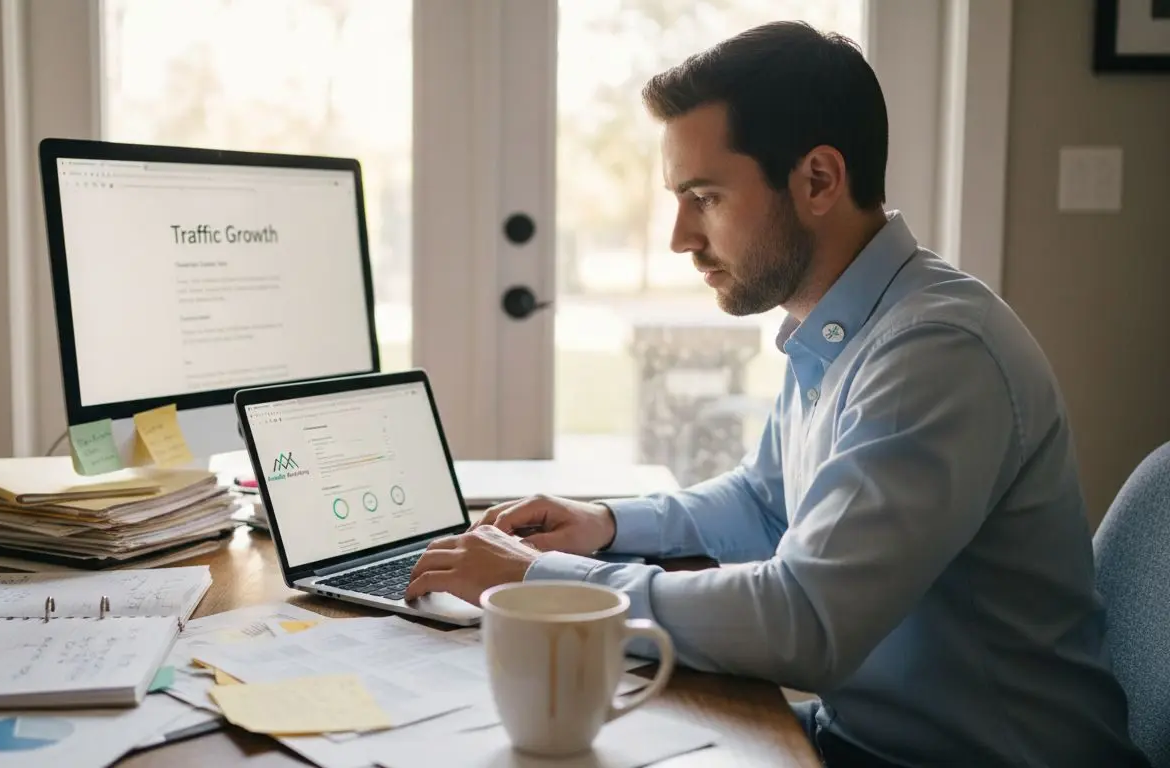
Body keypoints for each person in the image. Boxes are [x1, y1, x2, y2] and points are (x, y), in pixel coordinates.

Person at [403, 19, 1147, 768]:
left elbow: (803, 621)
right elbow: (767, 502)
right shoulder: (841, 325)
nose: (680, 237)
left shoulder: (936, 352)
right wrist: (603, 523)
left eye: (705, 197)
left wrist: (539, 581)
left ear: (818, 180)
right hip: (863, 740)